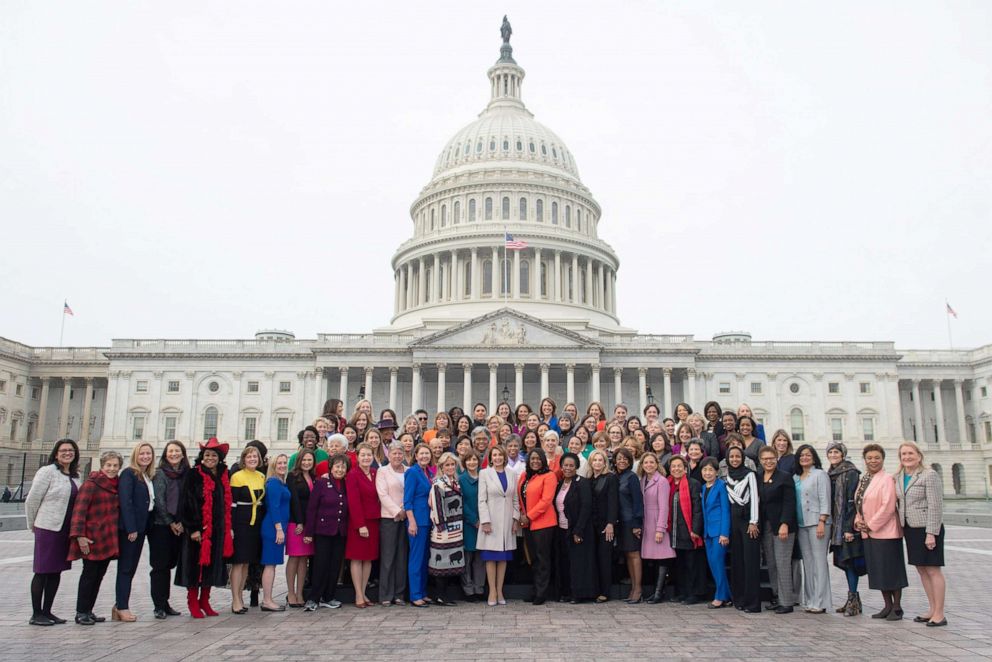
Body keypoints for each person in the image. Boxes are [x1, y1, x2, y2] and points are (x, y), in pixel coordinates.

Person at [26, 439, 82, 626]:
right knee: (42, 571)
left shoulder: (75, 476)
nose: (67, 453)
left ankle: (47, 611)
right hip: (47, 527)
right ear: (56, 454)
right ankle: (36, 613)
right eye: (63, 450)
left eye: (71, 450)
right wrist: (32, 524)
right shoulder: (47, 471)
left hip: (65, 529)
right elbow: (32, 499)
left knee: (56, 571)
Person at [176, 438, 233, 619]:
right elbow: (187, 502)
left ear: (219, 458)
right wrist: (193, 528)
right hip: (198, 530)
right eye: (207, 455)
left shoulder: (223, 476)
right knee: (195, 566)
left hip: (216, 529)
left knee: (210, 566)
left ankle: (205, 601)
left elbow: (224, 504)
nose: (210, 458)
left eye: (214, 455)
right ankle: (193, 601)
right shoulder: (194, 474)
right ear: (202, 456)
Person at [894, 442, 947, 627]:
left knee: (933, 569)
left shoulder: (929, 475)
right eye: (903, 454)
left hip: (927, 528)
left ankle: (940, 613)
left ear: (919, 455)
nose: (907, 457)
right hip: (910, 528)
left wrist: (931, 533)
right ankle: (931, 609)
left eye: (910, 453)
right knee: (921, 569)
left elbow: (935, 505)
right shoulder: (899, 477)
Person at [69, 450, 122, 625]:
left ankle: (88, 610)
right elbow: (79, 511)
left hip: (107, 536)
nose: (112, 469)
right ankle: (81, 611)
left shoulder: (116, 484)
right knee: (89, 575)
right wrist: (79, 536)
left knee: (99, 575)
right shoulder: (91, 484)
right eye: (109, 465)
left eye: (115, 465)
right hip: (92, 537)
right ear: (102, 465)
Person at [855, 443, 907, 621]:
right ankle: (887, 605)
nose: (873, 461)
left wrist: (870, 524)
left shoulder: (887, 479)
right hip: (868, 532)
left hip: (886, 532)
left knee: (892, 570)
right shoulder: (864, 479)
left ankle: (897, 606)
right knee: (878, 570)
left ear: (883, 459)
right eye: (869, 458)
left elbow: (888, 506)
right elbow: (859, 503)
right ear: (865, 460)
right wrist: (859, 521)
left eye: (877, 457)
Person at [114, 442, 155, 622]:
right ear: (135, 455)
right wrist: (131, 528)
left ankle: (119, 606)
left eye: (148, 454)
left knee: (130, 568)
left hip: (141, 528)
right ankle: (122, 606)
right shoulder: (128, 474)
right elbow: (125, 502)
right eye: (142, 453)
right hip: (131, 530)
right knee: (126, 568)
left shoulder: (146, 475)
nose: (145, 456)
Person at [302, 453, 349, 612]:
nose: (340, 469)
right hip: (323, 531)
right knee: (320, 565)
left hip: (340, 531)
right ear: (331, 467)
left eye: (343, 466)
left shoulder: (346, 483)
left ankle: (329, 596)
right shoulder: (321, 483)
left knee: (335, 565)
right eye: (337, 466)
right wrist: (309, 532)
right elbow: (312, 508)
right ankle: (314, 597)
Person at [824, 441, 865, 616]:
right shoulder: (831, 473)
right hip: (836, 527)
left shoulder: (850, 472)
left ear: (842, 454)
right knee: (842, 561)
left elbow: (852, 502)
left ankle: (853, 600)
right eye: (830, 452)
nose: (833, 455)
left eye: (836, 452)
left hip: (846, 526)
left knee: (849, 562)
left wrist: (848, 528)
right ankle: (853, 599)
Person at [149, 441, 188, 619]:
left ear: (183, 454)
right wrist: (171, 522)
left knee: (170, 564)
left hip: (180, 525)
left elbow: (187, 499)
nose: (174, 454)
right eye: (171, 451)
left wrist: (181, 521)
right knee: (160, 566)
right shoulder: (160, 474)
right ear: (165, 454)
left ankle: (165, 602)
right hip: (161, 526)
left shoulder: (185, 474)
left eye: (177, 451)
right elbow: (159, 500)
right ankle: (159, 605)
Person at [757, 445, 797, 614]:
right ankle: (777, 596)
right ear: (760, 461)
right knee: (772, 563)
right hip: (765, 525)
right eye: (765, 459)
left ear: (776, 459)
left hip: (782, 526)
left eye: (771, 458)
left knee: (782, 563)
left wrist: (785, 523)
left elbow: (789, 502)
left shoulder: (785, 477)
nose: (768, 462)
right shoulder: (758, 477)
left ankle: (787, 601)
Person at [478, 445, 519, 606]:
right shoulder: (485, 473)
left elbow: (515, 499)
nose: (497, 458)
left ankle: (500, 590)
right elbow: (481, 499)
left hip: (507, 521)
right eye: (494, 455)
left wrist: (515, 519)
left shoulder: (512, 474)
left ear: (504, 456)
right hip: (491, 521)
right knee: (490, 557)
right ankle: (492, 592)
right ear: (490, 457)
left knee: (503, 558)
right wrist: (485, 521)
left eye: (500, 455)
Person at [793, 444, 832, 614]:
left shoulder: (820, 475)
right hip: (802, 524)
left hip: (817, 522)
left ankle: (821, 601)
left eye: (808, 455)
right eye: (801, 455)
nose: (804, 458)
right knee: (807, 563)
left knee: (819, 562)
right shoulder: (796, 477)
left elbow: (825, 499)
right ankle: (810, 599)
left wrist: (823, 520)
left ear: (814, 457)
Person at [554, 453, 595, 603]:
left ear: (576, 467)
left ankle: (578, 594)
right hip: (562, 529)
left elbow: (586, 507)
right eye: (565, 465)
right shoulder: (559, 483)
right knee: (565, 563)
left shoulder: (582, 483)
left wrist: (578, 530)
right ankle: (566, 592)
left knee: (578, 563)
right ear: (561, 467)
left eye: (571, 465)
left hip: (577, 530)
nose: (568, 468)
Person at [518, 448, 558, 605]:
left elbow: (546, 501)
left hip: (543, 524)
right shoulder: (524, 476)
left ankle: (542, 593)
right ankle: (535, 589)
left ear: (543, 460)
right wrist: (522, 515)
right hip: (528, 524)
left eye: (538, 458)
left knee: (542, 559)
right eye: (532, 458)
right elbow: (521, 497)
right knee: (533, 559)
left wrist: (528, 516)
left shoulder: (549, 476)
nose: (535, 461)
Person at [229, 445, 265, 614]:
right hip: (241, 521)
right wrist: (231, 527)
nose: (252, 459)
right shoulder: (237, 477)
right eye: (249, 457)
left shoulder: (261, 476)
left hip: (255, 523)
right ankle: (235, 599)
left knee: (247, 563)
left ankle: (241, 596)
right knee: (238, 562)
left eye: (255, 457)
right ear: (243, 459)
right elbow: (232, 504)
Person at [725, 446, 761, 613]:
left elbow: (754, 498)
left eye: (737, 456)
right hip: (734, 522)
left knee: (750, 562)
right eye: (731, 457)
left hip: (748, 521)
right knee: (737, 562)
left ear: (743, 458)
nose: (734, 459)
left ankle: (753, 603)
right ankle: (739, 599)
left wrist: (754, 521)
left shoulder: (750, 474)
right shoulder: (727, 477)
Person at [426, 452, 465, 605]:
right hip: (443, 529)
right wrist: (441, 526)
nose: (450, 467)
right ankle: (440, 595)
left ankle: (445, 594)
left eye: (452, 464)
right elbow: (436, 506)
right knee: (441, 562)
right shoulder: (438, 484)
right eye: (447, 465)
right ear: (441, 467)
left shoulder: (456, 481)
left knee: (450, 563)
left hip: (457, 527)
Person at [346, 443, 381, 608]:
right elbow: (354, 502)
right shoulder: (353, 474)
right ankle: (358, 594)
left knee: (368, 559)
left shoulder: (375, 473)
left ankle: (364, 591)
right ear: (357, 457)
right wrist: (360, 525)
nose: (366, 458)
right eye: (363, 455)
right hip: (359, 522)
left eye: (369, 455)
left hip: (374, 520)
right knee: (357, 558)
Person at [668, 455, 704, 604]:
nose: (676, 469)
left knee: (692, 564)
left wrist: (695, 529)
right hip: (675, 531)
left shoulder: (692, 483)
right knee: (680, 564)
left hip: (689, 530)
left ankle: (694, 593)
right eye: (673, 466)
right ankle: (682, 592)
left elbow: (697, 508)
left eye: (679, 466)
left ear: (685, 468)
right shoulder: (668, 484)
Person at [638, 451, 674, 604]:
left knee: (662, 557)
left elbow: (664, 506)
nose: (649, 465)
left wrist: (660, 528)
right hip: (646, 521)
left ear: (657, 464)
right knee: (651, 558)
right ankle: (654, 591)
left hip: (657, 520)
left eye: (651, 462)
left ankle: (659, 592)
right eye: (646, 462)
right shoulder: (642, 480)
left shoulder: (662, 481)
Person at [376, 441, 408, 606]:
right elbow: (383, 494)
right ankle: (386, 594)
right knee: (388, 557)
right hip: (389, 517)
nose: (397, 456)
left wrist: (404, 510)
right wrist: (397, 511)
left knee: (402, 557)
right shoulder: (382, 471)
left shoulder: (408, 471)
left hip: (406, 518)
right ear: (389, 455)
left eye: (400, 453)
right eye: (394, 453)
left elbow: (410, 492)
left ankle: (399, 594)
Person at [285, 449, 316, 608]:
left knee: (304, 558)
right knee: (294, 557)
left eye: (309, 460)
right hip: (296, 522)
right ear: (299, 461)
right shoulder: (292, 476)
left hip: (309, 523)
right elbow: (294, 500)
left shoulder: (313, 477)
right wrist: (299, 522)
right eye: (304, 460)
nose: (306, 463)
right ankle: (290, 593)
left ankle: (299, 593)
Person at [404, 443, 434, 607]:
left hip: (428, 520)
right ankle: (415, 594)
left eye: (427, 454)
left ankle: (422, 591)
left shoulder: (428, 472)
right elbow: (407, 500)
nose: (424, 456)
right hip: (417, 521)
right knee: (416, 558)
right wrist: (412, 522)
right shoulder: (412, 472)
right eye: (421, 454)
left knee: (424, 559)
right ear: (415, 456)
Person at [259, 454, 290, 611]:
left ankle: (268, 599)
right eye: (279, 463)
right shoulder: (273, 483)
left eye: (285, 463)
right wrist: (279, 529)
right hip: (273, 528)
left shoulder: (281, 482)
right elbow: (274, 507)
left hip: (279, 527)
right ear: (273, 465)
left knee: (272, 564)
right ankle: (267, 600)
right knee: (270, 565)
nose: (283, 465)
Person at [613, 448, 643, 603]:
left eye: (625, 458)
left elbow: (638, 501)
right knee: (627, 555)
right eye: (619, 458)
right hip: (620, 522)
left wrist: (637, 523)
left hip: (631, 521)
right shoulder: (616, 477)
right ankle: (632, 588)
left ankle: (638, 589)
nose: (622, 461)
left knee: (634, 554)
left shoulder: (631, 477)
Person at [700, 457, 731, 608]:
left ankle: (720, 596)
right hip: (708, 533)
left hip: (719, 532)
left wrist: (724, 533)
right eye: (705, 470)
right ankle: (727, 595)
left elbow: (726, 510)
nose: (707, 473)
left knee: (717, 563)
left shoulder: (721, 486)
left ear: (716, 472)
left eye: (710, 470)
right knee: (713, 564)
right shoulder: (703, 487)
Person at [588, 449, 618, 602]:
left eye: (601, 460)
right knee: (593, 558)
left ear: (605, 462)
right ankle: (594, 589)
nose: (597, 463)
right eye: (595, 460)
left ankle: (605, 591)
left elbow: (613, 502)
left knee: (604, 558)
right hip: (591, 525)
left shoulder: (610, 478)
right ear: (591, 462)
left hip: (606, 525)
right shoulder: (589, 479)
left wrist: (611, 523)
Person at [458, 452, 485, 601]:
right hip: (468, 524)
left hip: (484, 522)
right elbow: (461, 503)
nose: (472, 462)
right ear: (464, 462)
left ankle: (479, 588)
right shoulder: (461, 479)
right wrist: (474, 520)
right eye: (469, 460)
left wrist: (484, 520)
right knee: (467, 558)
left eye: (474, 459)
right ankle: (468, 589)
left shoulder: (484, 477)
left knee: (480, 558)